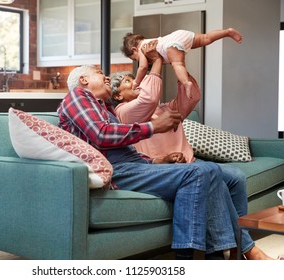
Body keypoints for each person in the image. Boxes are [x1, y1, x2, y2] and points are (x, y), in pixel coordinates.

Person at [57, 53, 266, 260]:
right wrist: (153, 126)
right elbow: (102, 135)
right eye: (100, 73)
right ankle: (200, 256)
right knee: (202, 171)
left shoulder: (104, 107)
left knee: (214, 172)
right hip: (117, 172)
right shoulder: (77, 97)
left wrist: (158, 161)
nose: (107, 78)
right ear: (84, 80)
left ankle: (219, 256)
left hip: (134, 165)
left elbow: (125, 151)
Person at [110, 64, 272, 260]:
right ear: (118, 96)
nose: (137, 83)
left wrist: (178, 63)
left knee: (236, 176)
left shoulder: (165, 109)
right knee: (215, 182)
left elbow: (192, 96)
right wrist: (156, 63)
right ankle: (244, 248)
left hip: (191, 163)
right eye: (129, 81)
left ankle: (237, 247)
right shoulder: (124, 113)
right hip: (166, 170)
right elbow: (148, 98)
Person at [120, 28, 242, 97]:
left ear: (134, 50)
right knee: (206, 38)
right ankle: (227, 32)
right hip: (180, 35)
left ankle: (186, 83)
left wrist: (136, 81)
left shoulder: (142, 49)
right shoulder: (150, 41)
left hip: (171, 45)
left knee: (178, 64)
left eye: (134, 58)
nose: (138, 59)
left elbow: (143, 67)